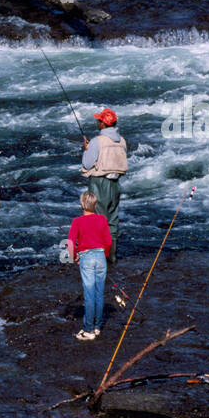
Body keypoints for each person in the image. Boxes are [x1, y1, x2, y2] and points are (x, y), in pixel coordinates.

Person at [80, 108, 129, 265]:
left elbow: (87, 164)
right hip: (115, 184)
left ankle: (100, 258)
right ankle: (111, 256)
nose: (97, 123)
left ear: (103, 124)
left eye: (98, 120)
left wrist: (86, 150)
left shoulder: (97, 141)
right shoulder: (121, 140)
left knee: (97, 220)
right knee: (112, 220)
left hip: (99, 183)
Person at [68, 190, 112, 341]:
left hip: (86, 257)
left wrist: (75, 258)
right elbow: (109, 242)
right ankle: (97, 327)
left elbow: (70, 244)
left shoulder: (77, 221)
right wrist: (104, 255)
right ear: (95, 205)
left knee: (89, 295)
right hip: (100, 256)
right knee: (99, 293)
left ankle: (88, 330)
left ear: (82, 204)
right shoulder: (102, 219)